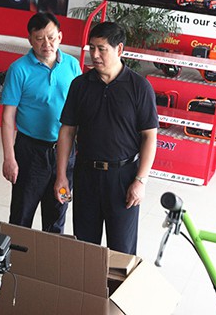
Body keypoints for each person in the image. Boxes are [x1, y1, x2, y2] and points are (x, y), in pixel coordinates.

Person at [54, 21, 158, 254]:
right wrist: (61, 176)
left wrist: (140, 181)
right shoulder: (80, 85)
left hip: (123, 178)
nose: (95, 55)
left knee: (121, 251)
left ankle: (117, 281)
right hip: (86, 175)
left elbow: (150, 137)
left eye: (102, 49)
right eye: (92, 48)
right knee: (85, 248)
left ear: (119, 49)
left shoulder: (139, 87)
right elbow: (67, 131)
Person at [1, 12, 81, 233]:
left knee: (58, 212)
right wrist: (9, 158)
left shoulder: (73, 66)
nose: (47, 44)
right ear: (30, 40)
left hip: (65, 152)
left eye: (51, 37)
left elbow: (81, 110)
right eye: (39, 38)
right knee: (21, 214)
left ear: (60, 37)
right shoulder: (19, 69)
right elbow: (7, 117)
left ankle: (51, 254)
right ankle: (16, 254)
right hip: (30, 152)